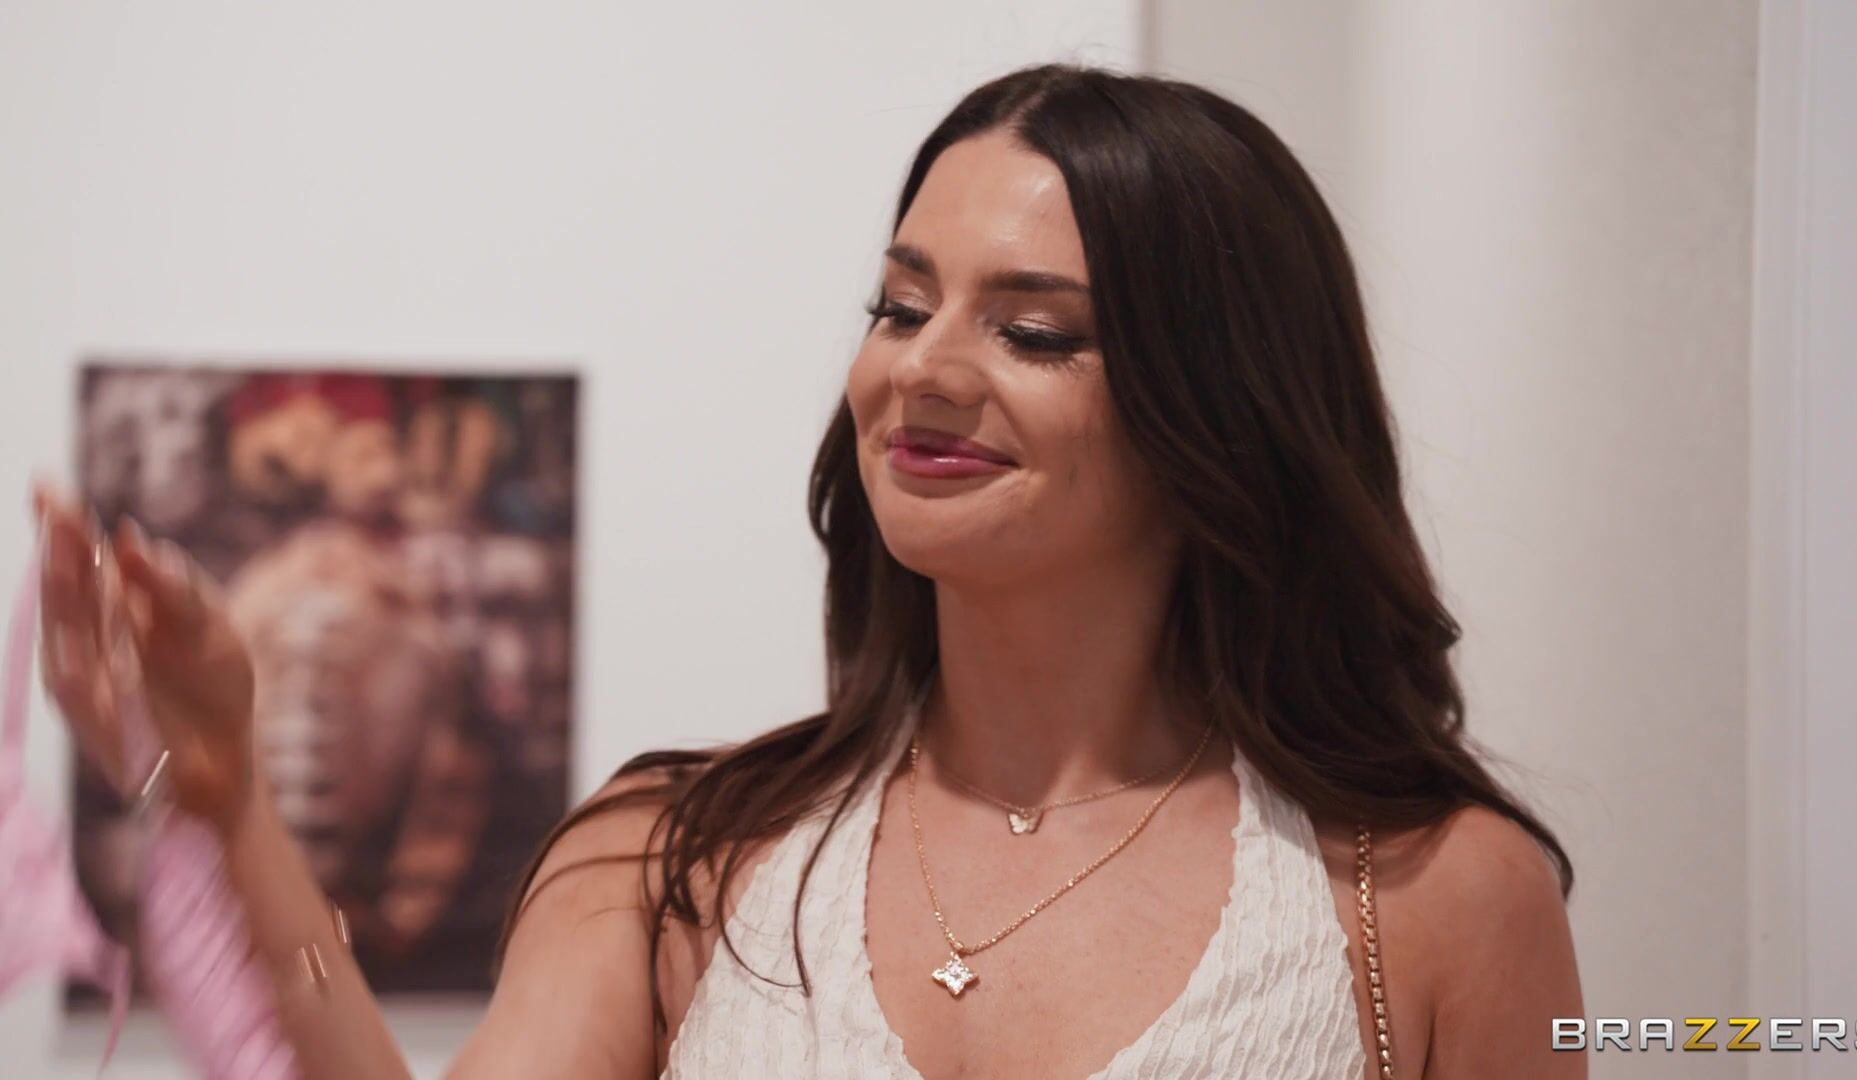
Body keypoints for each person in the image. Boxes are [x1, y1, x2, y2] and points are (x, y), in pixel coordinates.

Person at [31, 62, 1583, 1078]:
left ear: (1224, 415)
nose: (926, 370)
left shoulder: (1434, 898)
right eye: (901, 306)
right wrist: (227, 796)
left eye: (1031, 330)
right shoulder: (675, 855)